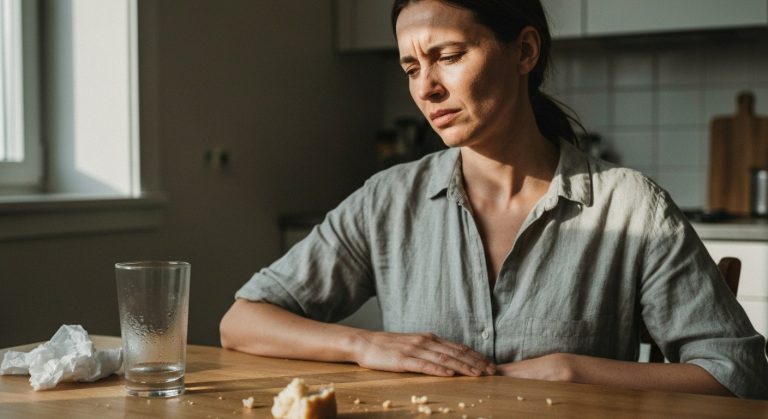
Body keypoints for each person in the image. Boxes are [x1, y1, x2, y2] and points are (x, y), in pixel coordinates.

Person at [220, 0, 768, 399]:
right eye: (412, 67)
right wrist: (366, 345)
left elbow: (737, 373)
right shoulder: (389, 199)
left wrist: (569, 371)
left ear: (524, 51)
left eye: (449, 56)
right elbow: (242, 321)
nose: (426, 88)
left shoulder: (631, 208)